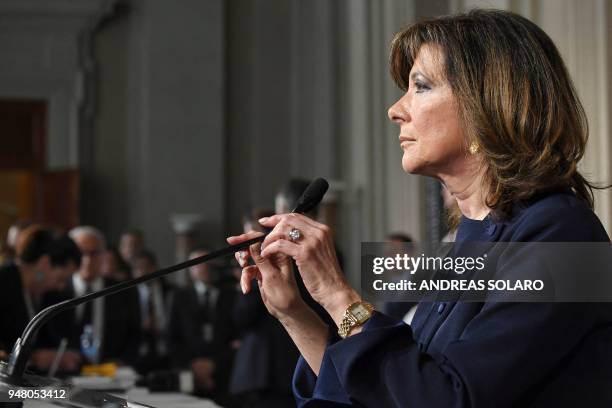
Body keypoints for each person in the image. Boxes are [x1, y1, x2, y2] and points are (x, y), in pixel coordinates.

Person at [228, 9, 612, 407]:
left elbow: (445, 399)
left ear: (486, 105)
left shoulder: (563, 235)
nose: (396, 110)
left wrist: (335, 293)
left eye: (421, 86)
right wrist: (294, 314)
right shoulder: (468, 239)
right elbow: (390, 391)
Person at [43, 226, 140, 366]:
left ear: (104, 254)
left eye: (94, 253)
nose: (87, 259)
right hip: (63, 375)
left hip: (111, 375)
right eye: (81, 252)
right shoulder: (55, 291)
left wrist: (122, 362)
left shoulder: (123, 291)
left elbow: (134, 335)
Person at [0, 226, 82, 372]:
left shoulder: (46, 294)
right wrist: (34, 358)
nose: (61, 287)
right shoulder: (4, 283)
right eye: (61, 279)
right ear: (44, 263)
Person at [167, 248, 236, 405]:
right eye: (197, 264)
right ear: (190, 270)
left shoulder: (230, 295)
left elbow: (237, 339)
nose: (203, 267)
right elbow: (172, 339)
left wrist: (214, 365)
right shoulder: (179, 297)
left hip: (224, 377)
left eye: (207, 263)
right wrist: (194, 367)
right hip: (187, 375)